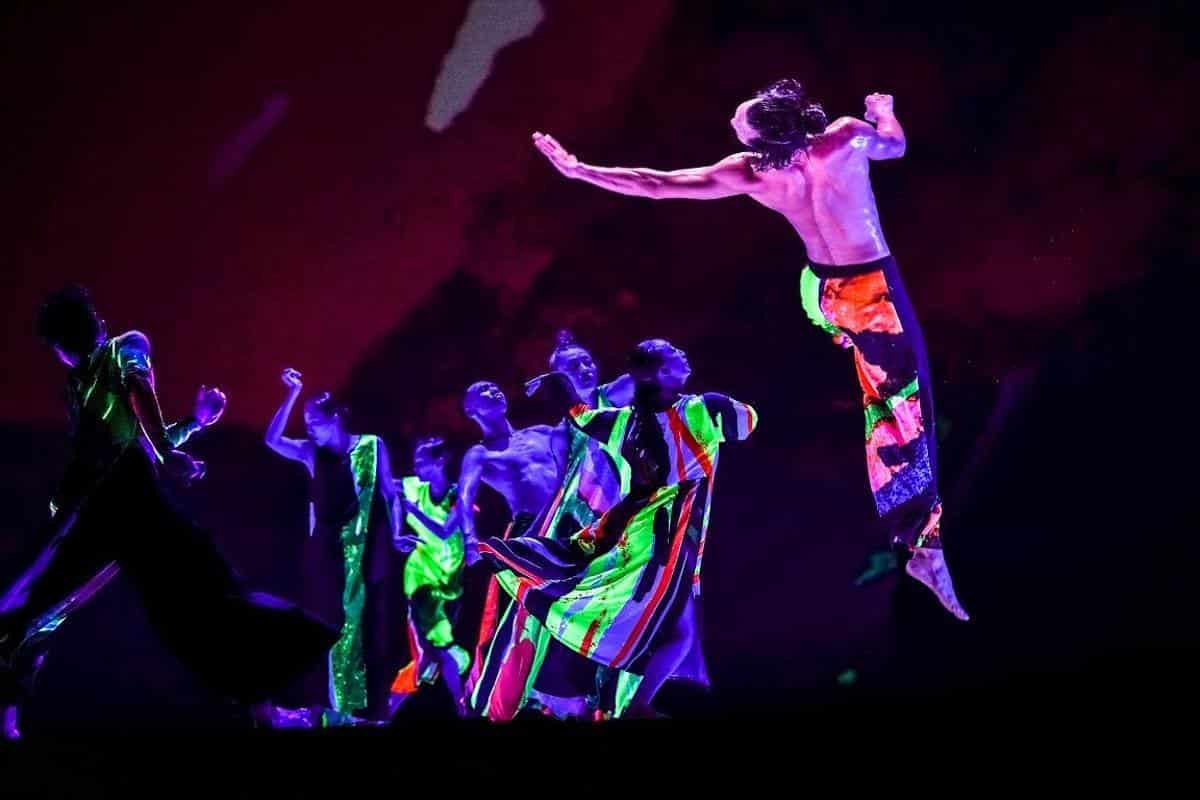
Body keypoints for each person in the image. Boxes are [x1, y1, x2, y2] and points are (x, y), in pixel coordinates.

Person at [530, 79, 968, 620]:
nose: (732, 126)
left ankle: (836, 334)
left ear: (768, 133)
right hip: (870, 293)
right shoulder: (845, 138)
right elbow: (894, 145)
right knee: (903, 405)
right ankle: (922, 543)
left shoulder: (755, 172)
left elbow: (657, 186)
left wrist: (580, 171)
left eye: (740, 121)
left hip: (823, 291)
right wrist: (885, 111)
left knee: (865, 364)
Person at [0, 286, 336, 740]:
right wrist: (171, 445)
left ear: (69, 342)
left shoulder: (121, 350)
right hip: (109, 509)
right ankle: (7, 719)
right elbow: (130, 436)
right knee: (41, 605)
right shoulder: (84, 381)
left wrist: (181, 435)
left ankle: (265, 711)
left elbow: (137, 411)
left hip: (117, 507)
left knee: (199, 601)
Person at [477, 339, 758, 717]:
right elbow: (747, 422)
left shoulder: (624, 423)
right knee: (664, 626)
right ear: (659, 373)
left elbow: (581, 414)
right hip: (666, 537)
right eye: (674, 353)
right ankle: (617, 702)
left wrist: (558, 386)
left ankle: (630, 703)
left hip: (642, 531)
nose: (683, 353)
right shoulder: (701, 409)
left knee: (675, 631)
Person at [265, 368, 403, 725]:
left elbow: (389, 494)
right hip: (326, 554)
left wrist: (399, 532)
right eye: (306, 421)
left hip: (366, 551)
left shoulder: (372, 445)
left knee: (367, 626)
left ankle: (363, 708)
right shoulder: (312, 453)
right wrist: (292, 394)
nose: (309, 427)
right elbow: (272, 440)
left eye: (315, 421)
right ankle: (334, 707)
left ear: (337, 417)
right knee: (333, 625)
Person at [387, 436, 471, 717]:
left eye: (422, 461)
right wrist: (397, 528)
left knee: (431, 656)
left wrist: (413, 511)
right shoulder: (413, 487)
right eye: (415, 462)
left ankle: (392, 708)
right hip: (421, 576)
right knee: (437, 646)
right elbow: (386, 487)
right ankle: (460, 708)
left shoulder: (460, 494)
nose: (416, 466)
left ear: (440, 461)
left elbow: (446, 531)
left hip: (450, 580)